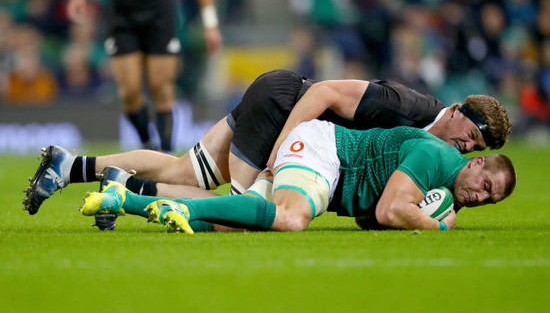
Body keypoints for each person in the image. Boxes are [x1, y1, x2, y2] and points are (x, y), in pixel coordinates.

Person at [22, 70, 512, 226]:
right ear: (455, 110)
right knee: (240, 204)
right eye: (471, 135)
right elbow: (321, 94)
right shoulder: (407, 105)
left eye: (477, 146)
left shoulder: (428, 143)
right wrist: (280, 150)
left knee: (187, 169)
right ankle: (130, 195)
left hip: (289, 112)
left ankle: (75, 167)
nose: (468, 146)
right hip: (287, 108)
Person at [78, 120, 517, 233]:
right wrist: (437, 223)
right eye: (486, 186)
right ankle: (180, 204)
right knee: (291, 218)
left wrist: (446, 210)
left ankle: (123, 199)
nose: (481, 198)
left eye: (489, 200)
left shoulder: (448, 189)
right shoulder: (435, 156)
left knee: (239, 222)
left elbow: (371, 214)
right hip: (326, 152)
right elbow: (388, 210)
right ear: (477, 163)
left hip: (329, 168)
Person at [67, 0, 222, 152]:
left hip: (160, 15)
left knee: (162, 88)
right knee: (130, 93)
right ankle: (148, 144)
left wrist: (210, 22)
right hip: (122, 15)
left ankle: (166, 154)